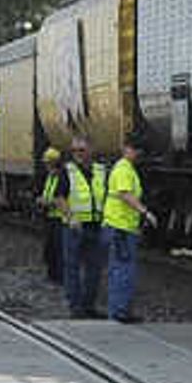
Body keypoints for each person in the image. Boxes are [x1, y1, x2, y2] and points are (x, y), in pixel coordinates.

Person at [100, 130, 148, 322]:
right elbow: (124, 194)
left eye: (138, 151)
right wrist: (145, 211)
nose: (137, 154)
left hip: (122, 227)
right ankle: (119, 311)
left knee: (121, 269)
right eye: (134, 150)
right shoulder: (123, 169)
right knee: (123, 270)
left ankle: (120, 309)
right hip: (120, 228)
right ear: (126, 149)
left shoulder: (126, 168)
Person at [58, 133, 102, 316]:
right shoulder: (67, 171)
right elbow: (59, 198)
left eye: (81, 150)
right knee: (72, 267)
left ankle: (89, 305)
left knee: (94, 269)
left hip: (95, 225)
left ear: (90, 150)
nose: (78, 153)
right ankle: (75, 307)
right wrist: (71, 217)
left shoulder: (101, 171)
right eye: (74, 150)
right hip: (74, 227)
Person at [37, 144, 68, 286]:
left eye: (47, 163)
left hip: (59, 218)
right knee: (50, 249)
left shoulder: (61, 177)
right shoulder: (51, 177)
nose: (46, 166)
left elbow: (60, 198)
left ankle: (59, 277)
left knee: (58, 249)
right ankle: (52, 275)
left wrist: (46, 202)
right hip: (50, 217)